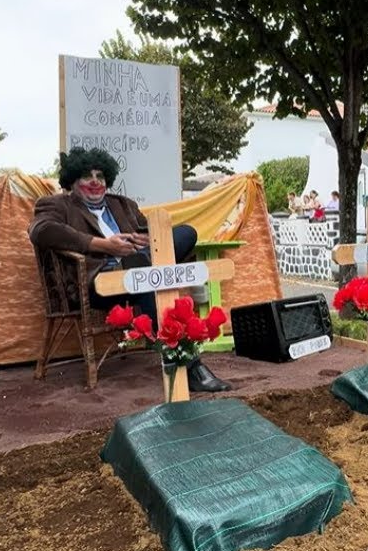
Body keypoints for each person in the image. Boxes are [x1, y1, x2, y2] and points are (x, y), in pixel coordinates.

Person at [29, 146, 230, 392]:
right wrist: (103, 245)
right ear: (72, 180)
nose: (95, 181)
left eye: (100, 176)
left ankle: (184, 362)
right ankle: (191, 367)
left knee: (184, 235)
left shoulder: (123, 205)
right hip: (98, 282)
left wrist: (146, 240)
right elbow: (41, 231)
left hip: (138, 271)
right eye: (86, 176)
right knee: (147, 276)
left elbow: (151, 233)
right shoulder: (57, 204)